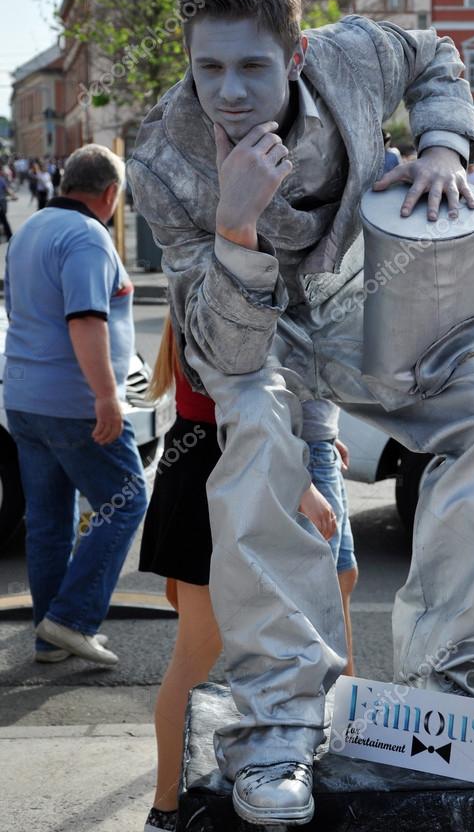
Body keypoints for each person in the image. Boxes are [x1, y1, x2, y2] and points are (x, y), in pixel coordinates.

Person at [128, 0, 474, 826]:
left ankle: (465, 689)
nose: (229, 92)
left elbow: (437, 54)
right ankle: (279, 720)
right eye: (209, 68)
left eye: (251, 66)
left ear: (298, 55)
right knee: (254, 427)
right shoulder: (163, 159)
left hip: (374, 304)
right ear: (189, 61)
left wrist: (441, 145)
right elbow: (218, 352)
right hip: (258, 334)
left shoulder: (356, 54)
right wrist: (236, 225)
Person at [140, 318, 358, 832]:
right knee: (197, 653)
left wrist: (318, 441)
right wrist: (298, 473)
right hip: (228, 465)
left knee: (332, 622)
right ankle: (165, 809)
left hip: (252, 460)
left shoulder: (248, 271)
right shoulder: (229, 276)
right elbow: (240, 399)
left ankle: (333, 792)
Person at [3, 144, 147, 666]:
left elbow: (21, 311)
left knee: (48, 522)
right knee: (127, 500)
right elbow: (85, 318)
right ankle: (72, 619)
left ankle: (50, 637)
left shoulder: (29, 230)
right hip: (73, 402)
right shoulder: (88, 236)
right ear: (111, 194)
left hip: (23, 398)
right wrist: (107, 397)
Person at [0, 167, 16, 240]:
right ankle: (9, 236)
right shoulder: (1, 179)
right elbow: (7, 189)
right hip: (1, 202)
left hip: (2, 201)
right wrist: (13, 196)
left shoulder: (1, 179)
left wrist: (13, 195)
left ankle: (8, 235)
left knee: (3, 219)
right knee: (4, 220)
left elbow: (7, 189)